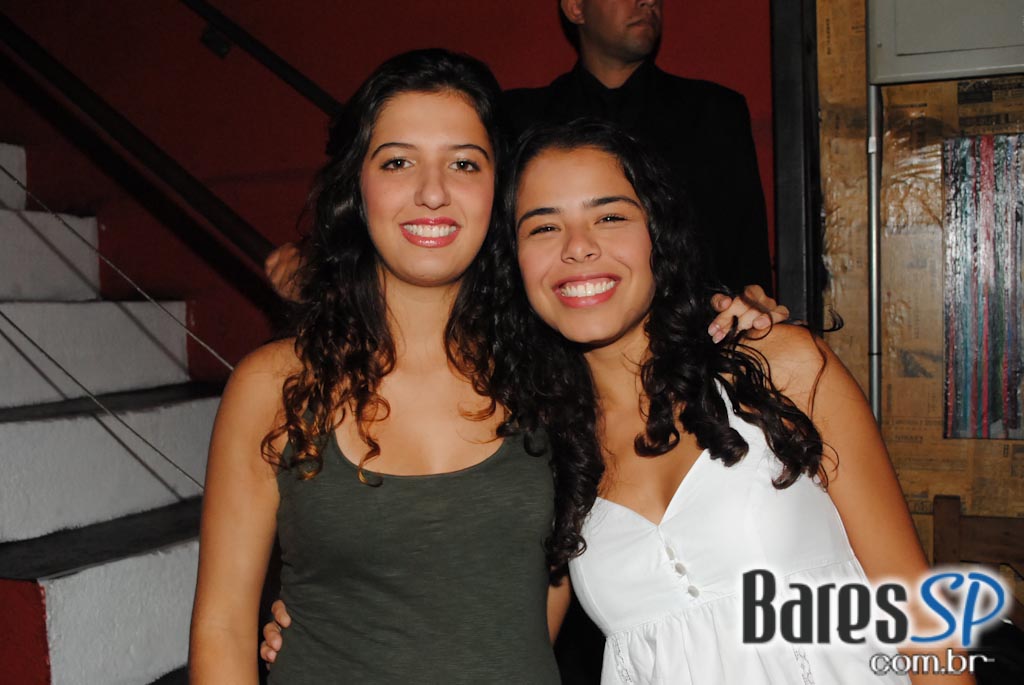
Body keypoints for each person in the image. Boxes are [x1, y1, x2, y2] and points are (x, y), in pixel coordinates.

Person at [491, 119, 969, 684]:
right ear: (515, 260)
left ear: (658, 233)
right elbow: (507, 654)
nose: (578, 247)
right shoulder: (541, 451)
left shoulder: (778, 367)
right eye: (544, 227)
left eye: (610, 217)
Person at [189, 49, 567, 684]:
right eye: (397, 161)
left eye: (464, 163)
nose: (432, 192)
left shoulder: (556, 375)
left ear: (499, 189)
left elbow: (540, 598)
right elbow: (222, 628)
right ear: (357, 191)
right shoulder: (276, 386)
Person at [266, 0, 779, 335]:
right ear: (575, 7)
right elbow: (452, 224)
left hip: (702, 343)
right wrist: (322, 261)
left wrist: (755, 308)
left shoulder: (714, 111)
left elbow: (747, 245)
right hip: (545, 356)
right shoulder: (518, 118)